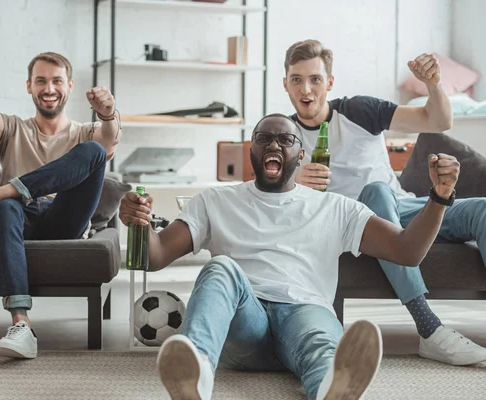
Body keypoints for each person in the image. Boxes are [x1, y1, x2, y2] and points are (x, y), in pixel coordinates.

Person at [119, 113, 460, 400]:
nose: (273, 145)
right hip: (244, 322)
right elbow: (157, 255)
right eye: (263, 138)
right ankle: (196, 376)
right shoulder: (214, 201)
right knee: (220, 266)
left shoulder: (336, 207)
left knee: (320, 342)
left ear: (301, 155)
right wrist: (139, 223)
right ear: (250, 149)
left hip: (304, 312)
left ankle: (331, 384)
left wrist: (439, 198)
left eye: (285, 140)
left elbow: (407, 251)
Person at [284, 39, 486, 366]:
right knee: (375, 192)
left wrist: (433, 84)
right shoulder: (283, 133)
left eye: (315, 79)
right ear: (286, 85)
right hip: (353, 226)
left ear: (329, 83)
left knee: (482, 209)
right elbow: (262, 193)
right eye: (297, 79)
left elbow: (438, 121)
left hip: (402, 208)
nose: (306, 89)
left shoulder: (360, 111)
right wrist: (293, 183)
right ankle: (430, 328)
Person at [0, 24, 122, 359]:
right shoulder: (12, 129)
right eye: (40, 80)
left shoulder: (86, 131)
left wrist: (109, 113)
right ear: (29, 86)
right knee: (6, 208)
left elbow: (109, 141)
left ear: (69, 86)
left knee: (94, 153)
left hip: (64, 219)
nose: (49, 87)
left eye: (57, 80)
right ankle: (22, 325)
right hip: (16, 217)